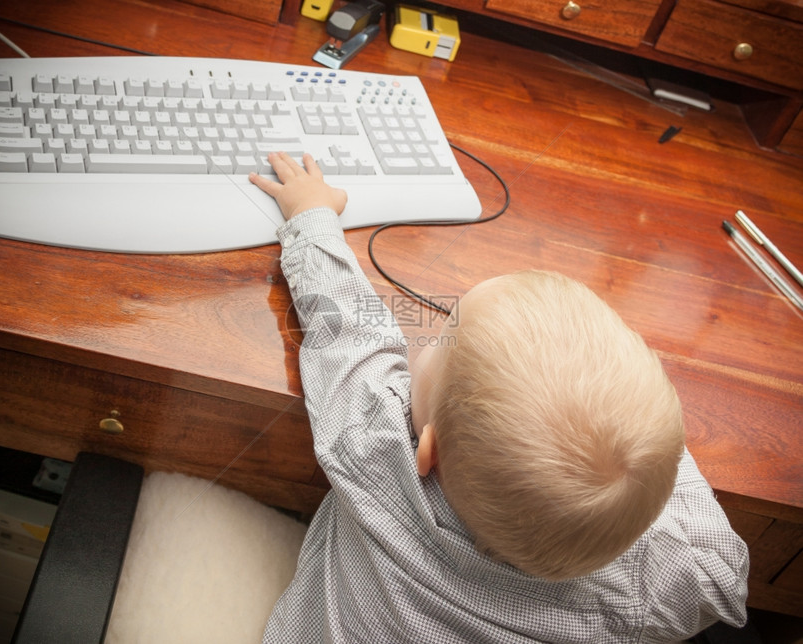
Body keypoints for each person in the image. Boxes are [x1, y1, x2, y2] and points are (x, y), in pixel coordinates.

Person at [248, 152, 749, 643]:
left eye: (443, 337)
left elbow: (346, 324)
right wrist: (652, 441)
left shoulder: (375, 443)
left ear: (428, 450)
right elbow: (724, 575)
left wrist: (311, 214)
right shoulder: (645, 588)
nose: (434, 335)